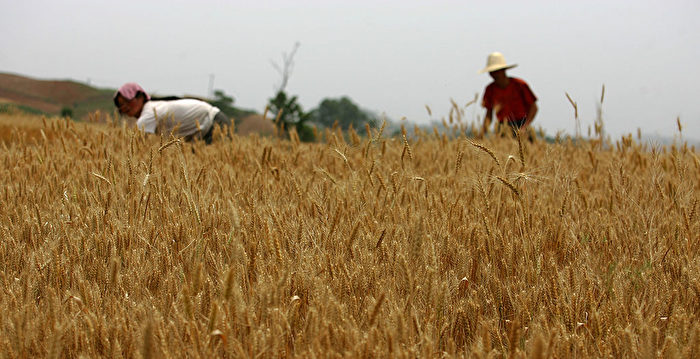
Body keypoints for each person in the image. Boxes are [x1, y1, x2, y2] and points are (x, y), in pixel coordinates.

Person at [113, 82, 231, 143]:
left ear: (141, 97)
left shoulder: (148, 114)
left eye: (127, 101)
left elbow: (136, 148)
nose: (125, 107)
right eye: (121, 105)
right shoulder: (154, 107)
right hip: (204, 131)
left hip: (215, 123)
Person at [479, 52, 538, 139]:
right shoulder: (489, 89)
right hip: (502, 128)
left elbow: (533, 107)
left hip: (521, 124)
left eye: (496, 71)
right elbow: (489, 114)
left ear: (504, 70)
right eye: (491, 72)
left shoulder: (520, 85)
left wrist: (524, 127)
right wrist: (482, 133)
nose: (494, 74)